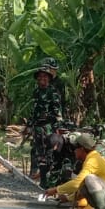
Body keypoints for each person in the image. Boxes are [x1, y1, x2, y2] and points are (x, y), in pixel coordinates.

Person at [47, 132, 105, 209]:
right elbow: (80, 184)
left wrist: (56, 190)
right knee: (84, 182)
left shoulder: (93, 161)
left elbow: (76, 183)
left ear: (82, 149)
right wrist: (68, 198)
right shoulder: (91, 158)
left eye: (76, 149)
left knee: (90, 178)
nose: (74, 151)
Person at [25, 59, 65, 187]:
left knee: (48, 153)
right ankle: (40, 179)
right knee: (38, 152)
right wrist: (29, 125)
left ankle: (45, 181)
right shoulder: (36, 92)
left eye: (44, 77)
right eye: (40, 77)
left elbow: (57, 112)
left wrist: (57, 128)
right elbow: (34, 110)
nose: (42, 79)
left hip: (48, 127)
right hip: (37, 127)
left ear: (48, 78)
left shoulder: (53, 92)